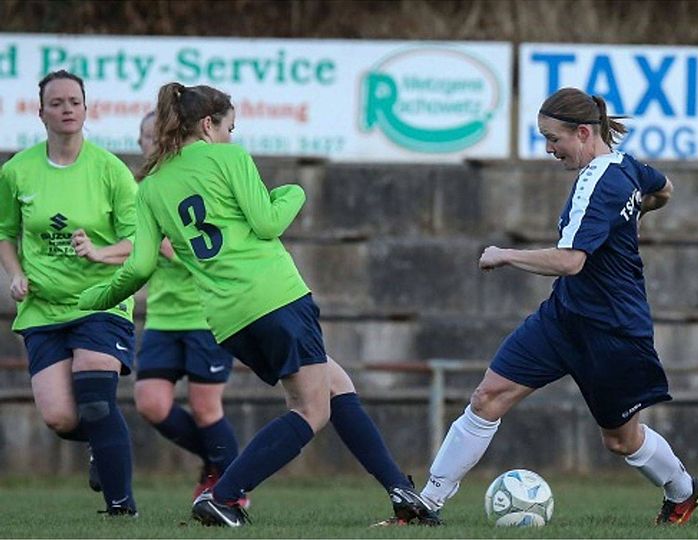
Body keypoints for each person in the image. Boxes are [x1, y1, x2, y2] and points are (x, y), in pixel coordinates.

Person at [79, 82, 439, 528]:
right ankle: (224, 495)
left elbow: (137, 270)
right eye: (230, 126)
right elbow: (268, 223)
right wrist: (294, 193)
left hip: (229, 321)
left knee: (334, 384)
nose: (232, 135)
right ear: (209, 125)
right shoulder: (228, 157)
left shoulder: (152, 186)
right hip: (275, 299)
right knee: (310, 410)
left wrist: (91, 300)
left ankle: (402, 493)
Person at [414, 87, 698, 525]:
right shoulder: (627, 167)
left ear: (584, 132)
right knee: (487, 397)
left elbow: (570, 261)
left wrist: (506, 254)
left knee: (621, 441)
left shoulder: (598, 180)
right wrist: (637, 213)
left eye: (554, 139)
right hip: (563, 319)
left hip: (613, 331)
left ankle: (684, 490)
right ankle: (425, 505)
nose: (549, 149)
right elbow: (665, 189)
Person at [0, 70, 139, 515]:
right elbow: (4, 232)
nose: (66, 109)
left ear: (86, 108)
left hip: (101, 301)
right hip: (43, 308)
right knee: (62, 418)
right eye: (56, 103)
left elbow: (138, 242)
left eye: (74, 102)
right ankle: (104, 442)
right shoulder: (16, 171)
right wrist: (15, 273)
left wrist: (99, 253)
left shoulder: (110, 170)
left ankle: (122, 508)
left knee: (97, 403)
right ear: (40, 112)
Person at [132, 110, 245, 506]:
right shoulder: (143, 190)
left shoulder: (196, 181)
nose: (151, 142)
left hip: (204, 316)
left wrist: (173, 248)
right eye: (144, 137)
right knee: (150, 402)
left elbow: (216, 249)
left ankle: (233, 492)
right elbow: (133, 252)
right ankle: (221, 462)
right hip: (163, 317)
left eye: (156, 134)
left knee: (204, 406)